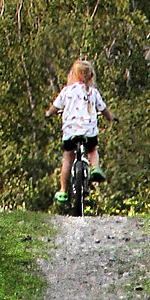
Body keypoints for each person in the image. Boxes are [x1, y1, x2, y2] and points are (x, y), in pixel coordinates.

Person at [45, 59, 117, 205]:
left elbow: (54, 108)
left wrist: (47, 114)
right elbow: (105, 111)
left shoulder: (66, 91)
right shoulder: (93, 92)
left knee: (68, 159)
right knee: (92, 150)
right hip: (88, 130)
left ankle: (63, 190)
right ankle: (95, 167)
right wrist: (112, 118)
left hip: (70, 131)